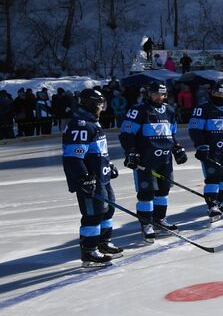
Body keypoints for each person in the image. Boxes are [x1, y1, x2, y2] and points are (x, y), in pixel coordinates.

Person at [119, 81, 186, 239]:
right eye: (155, 94)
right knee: (146, 193)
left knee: (163, 192)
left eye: (162, 94)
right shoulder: (139, 110)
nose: (159, 97)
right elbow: (126, 134)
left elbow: (171, 133)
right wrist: (131, 152)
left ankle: (159, 219)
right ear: (148, 94)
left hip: (165, 159)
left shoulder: (169, 110)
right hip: (146, 161)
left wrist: (177, 147)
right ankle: (146, 224)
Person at [63, 87, 122, 265]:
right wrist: (83, 177)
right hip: (89, 179)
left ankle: (103, 243)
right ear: (89, 104)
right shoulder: (80, 125)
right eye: (99, 104)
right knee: (93, 214)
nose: (101, 108)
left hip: (102, 176)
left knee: (108, 210)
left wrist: (109, 165)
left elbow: (98, 152)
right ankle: (89, 251)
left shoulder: (93, 122)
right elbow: (73, 157)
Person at [189, 80, 223, 219]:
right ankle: (212, 206)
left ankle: (221, 203)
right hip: (211, 149)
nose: (221, 97)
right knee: (213, 178)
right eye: (217, 93)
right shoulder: (203, 108)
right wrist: (200, 145)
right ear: (211, 93)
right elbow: (195, 129)